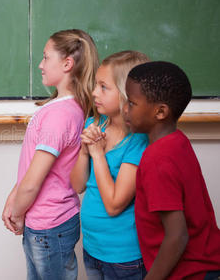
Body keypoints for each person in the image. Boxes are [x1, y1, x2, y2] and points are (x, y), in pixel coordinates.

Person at [1, 29, 99, 280]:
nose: (40, 64)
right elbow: (35, 168)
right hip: (49, 223)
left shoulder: (58, 116)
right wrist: (14, 198)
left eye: (46, 57)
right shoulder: (67, 108)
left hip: (48, 226)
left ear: (67, 64)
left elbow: (33, 183)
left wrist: (19, 211)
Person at [124, 61, 220, 280]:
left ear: (160, 112)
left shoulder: (157, 159)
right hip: (205, 263)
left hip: (189, 272)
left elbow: (177, 235)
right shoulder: (178, 141)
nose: (125, 109)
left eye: (131, 103)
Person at [70, 51, 149, 279]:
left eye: (104, 87)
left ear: (127, 93)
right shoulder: (94, 123)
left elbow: (114, 205)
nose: (94, 92)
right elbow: (77, 185)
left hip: (124, 257)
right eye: (96, 84)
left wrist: (97, 154)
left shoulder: (137, 141)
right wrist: (85, 152)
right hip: (93, 249)